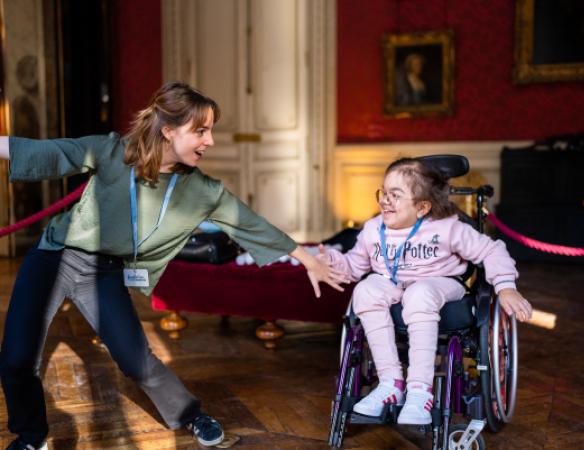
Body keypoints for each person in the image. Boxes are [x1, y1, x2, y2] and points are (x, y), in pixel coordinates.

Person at [0, 81, 346, 450]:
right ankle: (31, 437)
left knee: (136, 361)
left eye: (210, 130)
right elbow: (49, 153)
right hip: (53, 257)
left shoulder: (201, 190)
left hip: (103, 271)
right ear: (168, 131)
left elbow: (250, 223)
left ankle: (190, 414)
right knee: (17, 357)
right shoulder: (112, 151)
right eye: (201, 130)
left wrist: (307, 259)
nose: (210, 141)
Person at [317, 158, 532, 425]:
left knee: (419, 293)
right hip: (393, 284)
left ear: (422, 207)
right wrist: (331, 262)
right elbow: (354, 265)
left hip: (442, 284)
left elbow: (491, 250)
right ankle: (390, 384)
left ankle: (420, 391)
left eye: (395, 196)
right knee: (365, 289)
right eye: (383, 193)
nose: (385, 201)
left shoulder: (447, 228)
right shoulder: (374, 229)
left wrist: (506, 287)